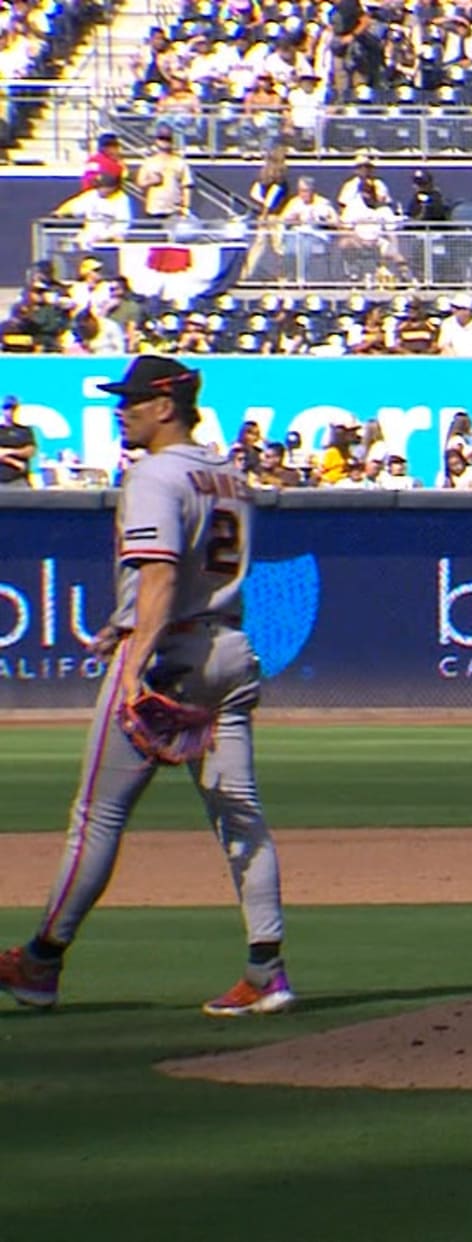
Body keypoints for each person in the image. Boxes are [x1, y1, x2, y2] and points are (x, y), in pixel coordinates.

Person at [0, 358, 291, 1017]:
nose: (120, 410)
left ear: (166, 406)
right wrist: (122, 621)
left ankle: (41, 963)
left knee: (97, 817)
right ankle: (266, 971)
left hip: (167, 657)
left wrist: (133, 664)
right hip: (228, 648)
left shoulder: (154, 474)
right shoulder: (229, 473)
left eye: (132, 400)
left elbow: (160, 574)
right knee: (241, 817)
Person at [0, 395, 35, 487]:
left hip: (20, 479)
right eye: (7, 409)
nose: (10, 412)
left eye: (13, 409)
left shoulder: (25, 430)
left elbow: (30, 451)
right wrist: (15, 463)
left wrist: (9, 451)